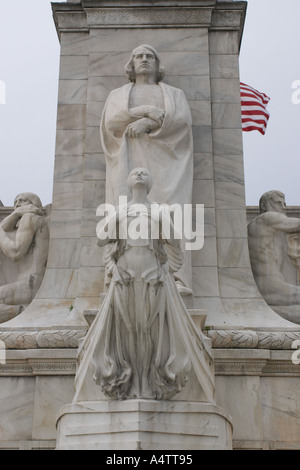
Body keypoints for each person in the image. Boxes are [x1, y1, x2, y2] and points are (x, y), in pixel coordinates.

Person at [100, 44, 193, 293]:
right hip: (127, 157)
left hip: (166, 162)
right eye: (139, 56)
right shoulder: (118, 94)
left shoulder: (174, 94)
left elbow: (182, 121)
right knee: (124, 214)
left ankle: (174, 274)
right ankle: (117, 273)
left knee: (170, 214)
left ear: (157, 63)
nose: (144, 60)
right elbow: (112, 120)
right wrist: (148, 113)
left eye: (149, 56)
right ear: (131, 63)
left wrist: (149, 125)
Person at [0, 193, 49, 323]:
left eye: (22, 201)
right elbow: (5, 226)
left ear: (33, 204)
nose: (17, 205)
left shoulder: (29, 218)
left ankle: (25, 312)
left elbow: (15, 252)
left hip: (29, 284)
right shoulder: (26, 220)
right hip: (25, 284)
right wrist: (15, 214)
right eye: (15, 202)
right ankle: (23, 311)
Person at [248, 190, 300, 310]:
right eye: (278, 203)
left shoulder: (270, 230)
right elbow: (296, 224)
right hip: (274, 289)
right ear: (264, 205)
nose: (283, 207)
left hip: (277, 289)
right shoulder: (266, 218)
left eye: (284, 204)